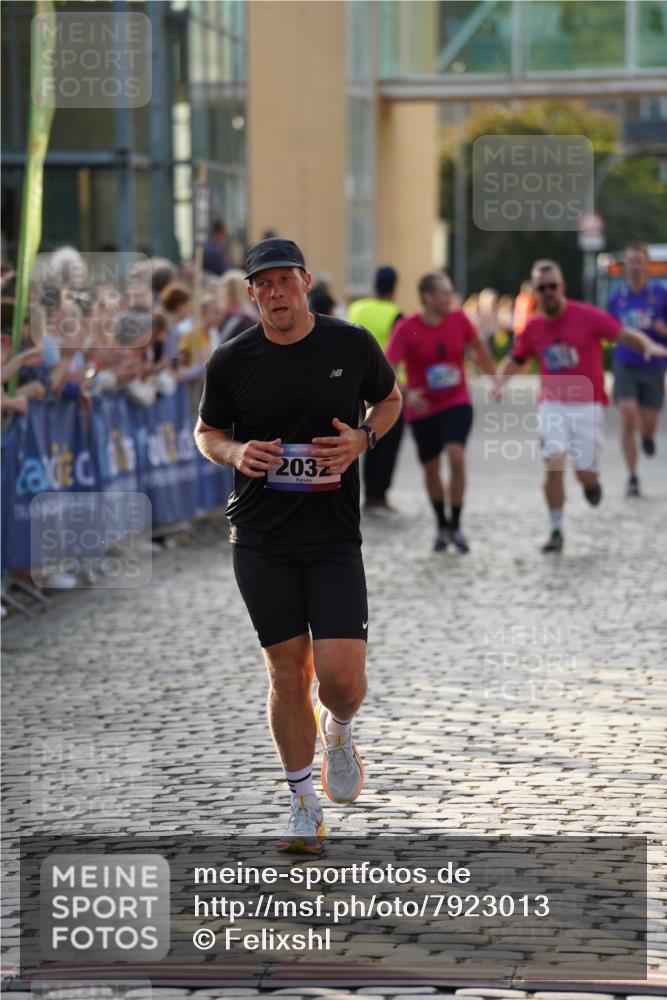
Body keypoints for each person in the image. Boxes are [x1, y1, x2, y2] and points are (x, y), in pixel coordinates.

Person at [194, 237, 401, 852]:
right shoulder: (231, 360)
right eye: (265, 283)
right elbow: (207, 431)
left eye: (286, 280)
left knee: (338, 678)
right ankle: (302, 803)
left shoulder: (349, 344)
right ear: (252, 291)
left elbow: (389, 401)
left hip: (333, 535)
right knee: (287, 671)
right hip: (260, 535)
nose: (276, 292)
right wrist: (235, 452)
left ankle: (338, 729)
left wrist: (363, 439)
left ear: (305, 282)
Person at [494, 259, 667, 553]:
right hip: (553, 405)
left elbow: (624, 334)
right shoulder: (534, 326)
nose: (548, 292)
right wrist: (499, 381)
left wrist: (648, 345)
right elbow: (518, 358)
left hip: (588, 406)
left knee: (584, 473)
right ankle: (556, 529)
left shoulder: (586, 316)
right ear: (535, 292)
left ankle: (591, 484)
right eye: (542, 288)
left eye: (552, 286)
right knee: (554, 464)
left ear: (562, 286)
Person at [387, 272, 498, 553]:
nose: (450, 298)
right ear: (427, 297)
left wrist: (494, 378)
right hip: (422, 408)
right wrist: (408, 393)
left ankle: (457, 525)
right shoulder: (407, 328)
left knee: (456, 456)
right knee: (432, 468)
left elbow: (478, 347)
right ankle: (441, 525)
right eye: (444, 294)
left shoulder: (460, 320)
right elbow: (386, 369)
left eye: (450, 293)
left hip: (456, 401)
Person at [608, 242, 667, 497]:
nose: (635, 266)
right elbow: (608, 332)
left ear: (647, 265)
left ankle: (648, 437)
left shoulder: (661, 295)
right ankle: (632, 476)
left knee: (650, 421)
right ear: (625, 267)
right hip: (625, 364)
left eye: (639, 261)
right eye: (630, 262)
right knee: (628, 413)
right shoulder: (616, 299)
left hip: (653, 366)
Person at [348, 266, 404, 513]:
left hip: (355, 384)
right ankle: (378, 495)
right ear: (394, 288)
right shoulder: (395, 314)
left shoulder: (357, 308)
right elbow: (401, 351)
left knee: (365, 436)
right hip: (385, 384)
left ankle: (367, 493)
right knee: (387, 438)